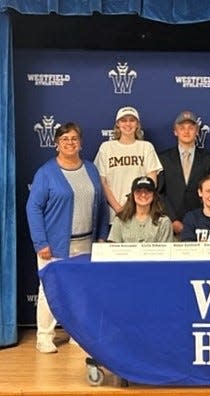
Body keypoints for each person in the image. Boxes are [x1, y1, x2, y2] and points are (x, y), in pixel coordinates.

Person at [26, 122, 109, 353]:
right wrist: (41, 242)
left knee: (81, 291)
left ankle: (77, 335)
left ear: (80, 143)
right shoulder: (46, 173)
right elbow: (33, 208)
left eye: (74, 139)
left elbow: (101, 205)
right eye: (65, 139)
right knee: (49, 290)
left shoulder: (91, 169)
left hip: (86, 242)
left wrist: (102, 235)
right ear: (56, 144)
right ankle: (44, 336)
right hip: (55, 244)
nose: (70, 143)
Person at [94, 106, 163, 223]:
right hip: (114, 215)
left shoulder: (146, 147)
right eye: (123, 120)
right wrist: (118, 209)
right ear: (117, 124)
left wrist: (137, 207)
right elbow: (102, 182)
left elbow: (152, 182)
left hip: (142, 213)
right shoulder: (106, 147)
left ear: (137, 124)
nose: (128, 124)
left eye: (132, 120)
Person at [157, 110, 210, 238]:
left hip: (201, 225)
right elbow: (159, 193)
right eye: (182, 128)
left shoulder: (208, 160)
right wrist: (172, 220)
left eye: (191, 127)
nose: (186, 131)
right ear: (175, 131)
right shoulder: (163, 159)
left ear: (197, 131)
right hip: (171, 226)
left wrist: (201, 220)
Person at [107, 176, 173, 243]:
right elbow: (113, 250)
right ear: (132, 195)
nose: (143, 195)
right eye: (138, 191)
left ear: (154, 195)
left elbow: (166, 252)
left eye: (148, 191)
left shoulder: (164, 222)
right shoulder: (120, 220)